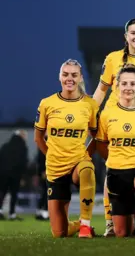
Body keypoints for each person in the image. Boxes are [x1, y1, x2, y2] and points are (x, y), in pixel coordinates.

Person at [92, 18, 135, 237]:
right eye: (133, 33)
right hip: (115, 119)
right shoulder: (113, 58)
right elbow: (102, 90)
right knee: (110, 169)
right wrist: (88, 113)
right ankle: (110, 222)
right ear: (126, 36)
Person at [34, 59, 98, 238]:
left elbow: (97, 136)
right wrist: (51, 156)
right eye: (66, 74)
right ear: (59, 77)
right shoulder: (47, 103)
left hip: (78, 163)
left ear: (80, 78)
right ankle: (78, 225)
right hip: (55, 169)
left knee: (87, 169)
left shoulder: (89, 104)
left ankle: (85, 225)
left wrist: (87, 156)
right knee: (59, 233)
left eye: (74, 75)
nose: (69, 78)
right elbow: (38, 138)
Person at [0, 130, 28, 221]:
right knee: (14, 194)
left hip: (3, 174)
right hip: (15, 175)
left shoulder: (5, 146)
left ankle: (0, 211)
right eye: (24, 135)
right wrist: (23, 176)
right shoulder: (22, 147)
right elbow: (23, 162)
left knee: (2, 193)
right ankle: (12, 214)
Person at [35, 147, 49, 221]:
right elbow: (42, 159)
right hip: (47, 172)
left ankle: (39, 212)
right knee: (48, 192)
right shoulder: (47, 143)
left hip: (45, 172)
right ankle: (44, 212)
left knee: (44, 193)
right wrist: (43, 170)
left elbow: (39, 159)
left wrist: (40, 172)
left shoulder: (42, 143)